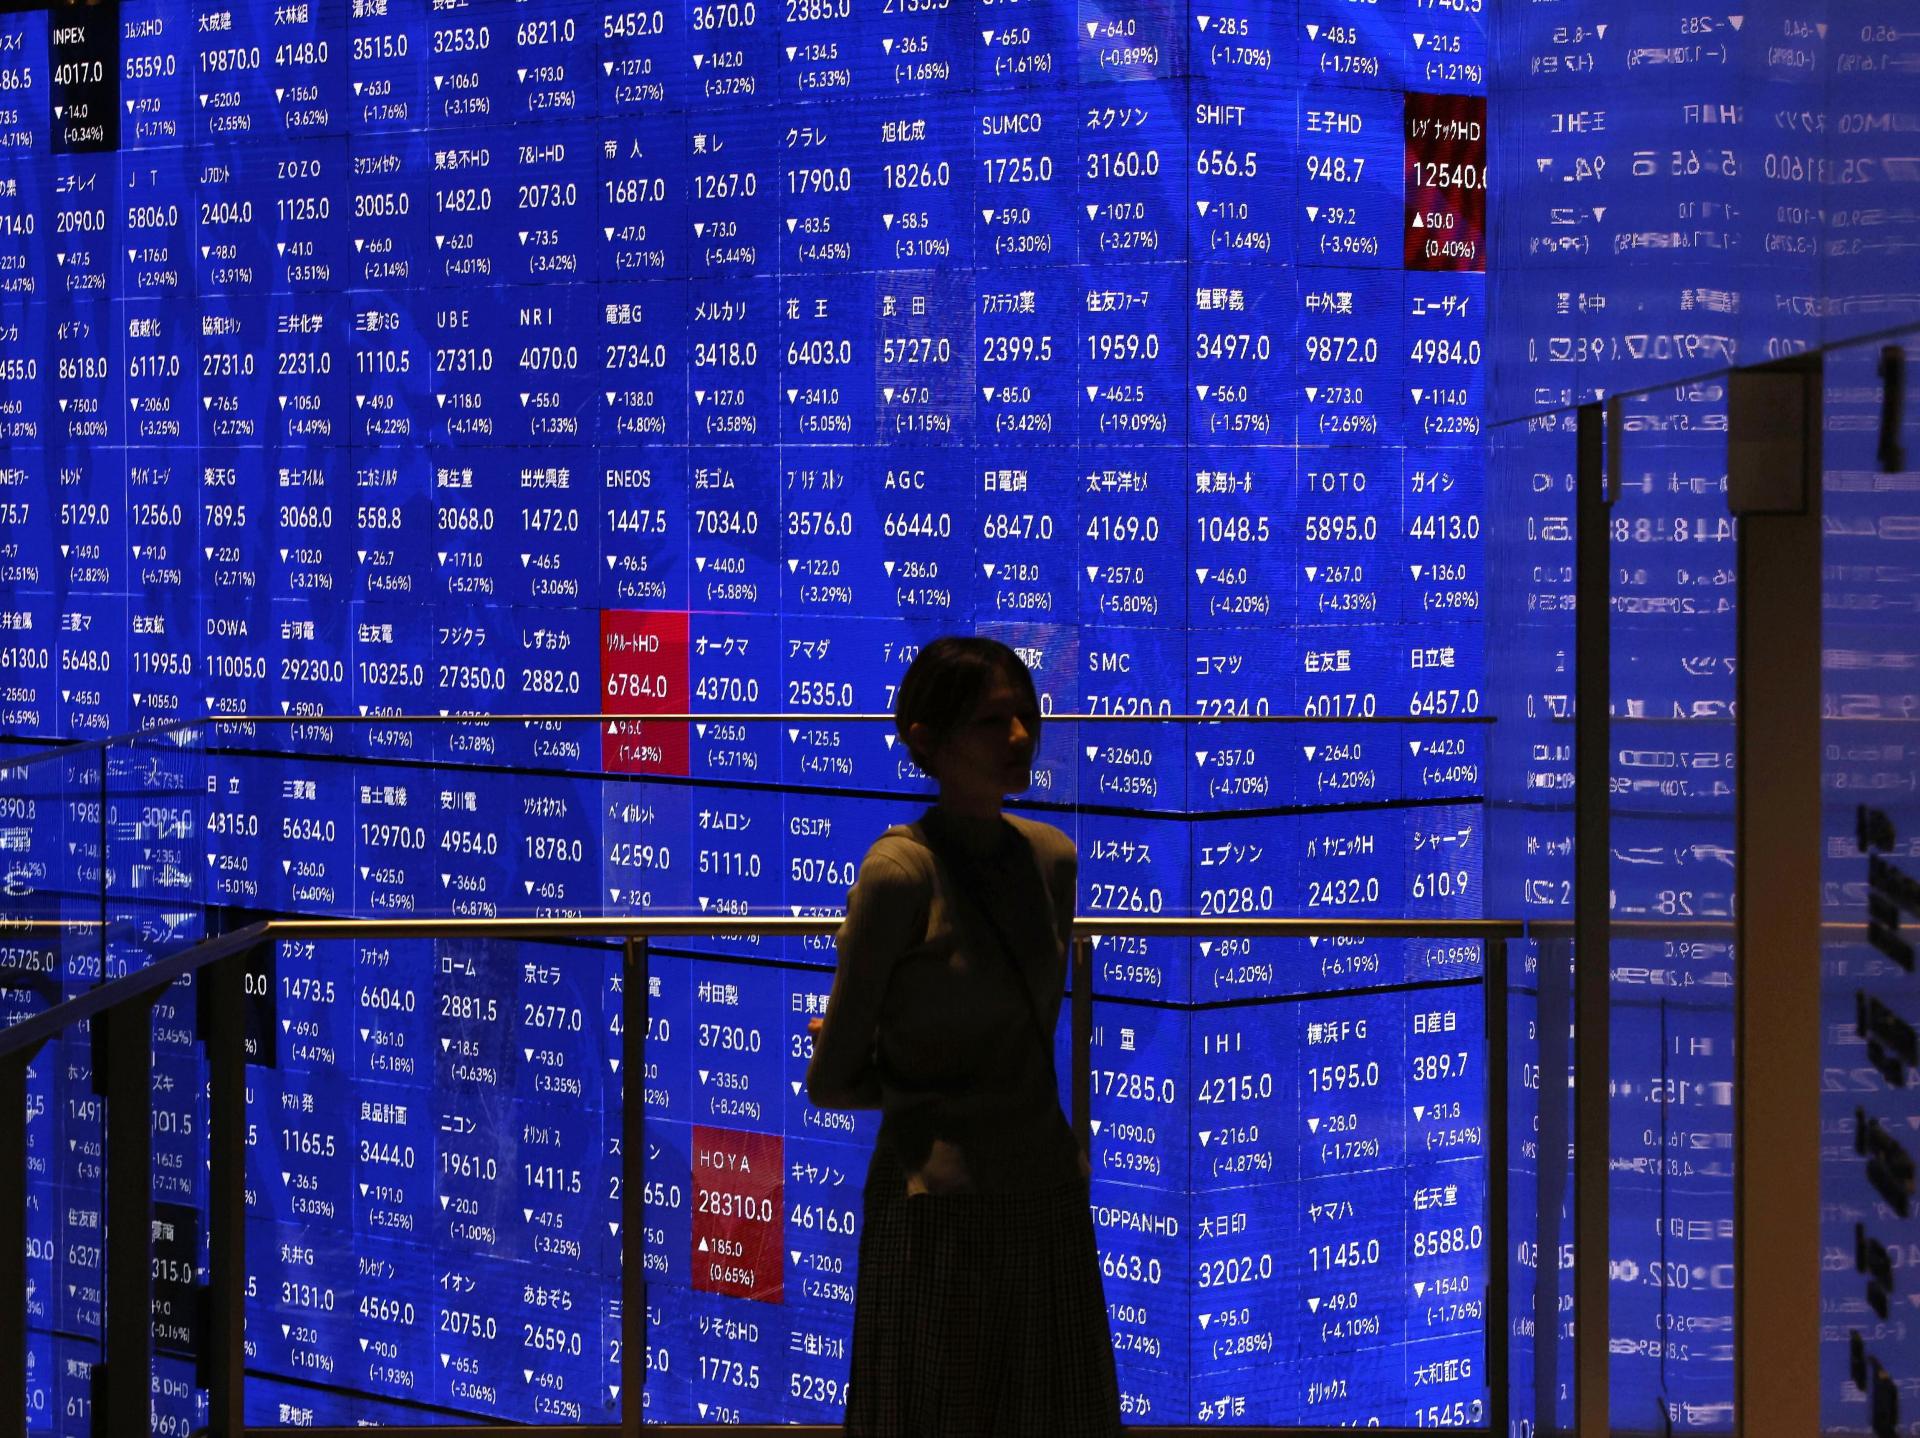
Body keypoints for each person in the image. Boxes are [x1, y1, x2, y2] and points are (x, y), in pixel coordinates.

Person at [805, 636, 1123, 1437]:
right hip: (1018, 1197)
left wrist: (903, 1064)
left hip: (949, 1201)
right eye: (991, 721)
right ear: (928, 739)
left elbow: (832, 1079)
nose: (1020, 737)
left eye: (1026, 716)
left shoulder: (909, 873)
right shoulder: (1039, 862)